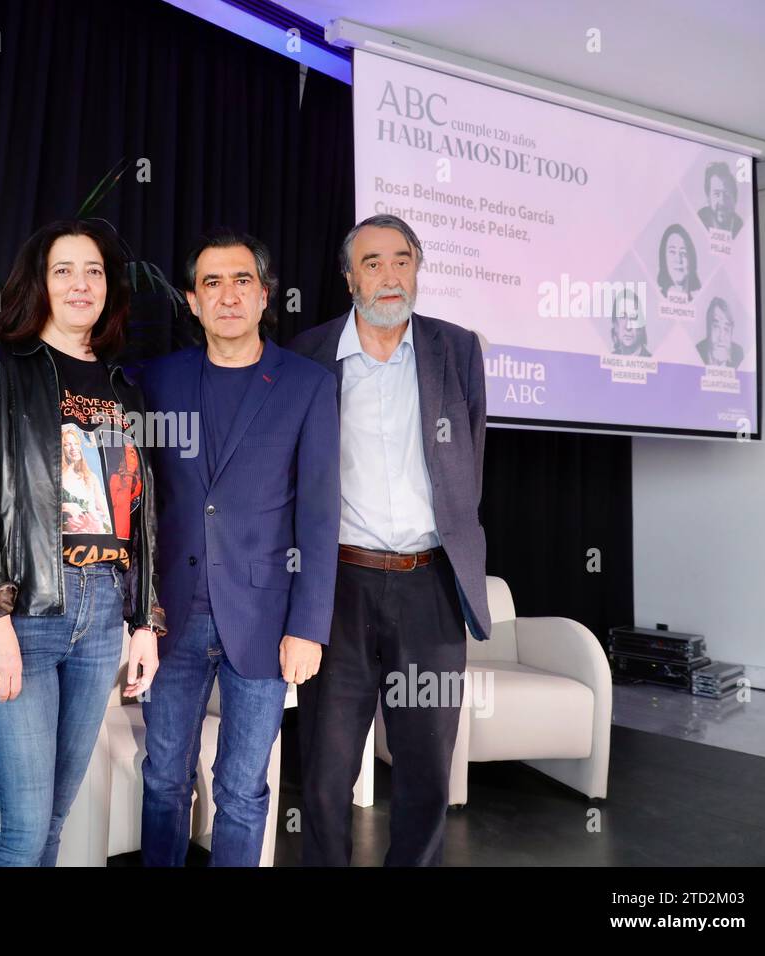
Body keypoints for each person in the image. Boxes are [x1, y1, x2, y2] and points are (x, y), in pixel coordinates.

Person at [0, 219, 164, 866]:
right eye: (62, 269)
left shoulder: (127, 390)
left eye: (92, 270)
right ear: (37, 284)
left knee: (52, 826)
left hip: (99, 618)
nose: (79, 283)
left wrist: (144, 621)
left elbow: (140, 513)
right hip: (20, 612)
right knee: (15, 832)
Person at [291, 213, 490, 867]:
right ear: (349, 277)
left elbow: (469, 459)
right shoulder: (308, 355)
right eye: (372, 262)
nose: (389, 275)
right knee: (324, 774)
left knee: (428, 768)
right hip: (336, 588)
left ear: (417, 269)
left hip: (429, 587)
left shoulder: (456, 350)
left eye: (402, 260)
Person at [137, 231, 340, 867]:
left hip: (265, 619)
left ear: (264, 296)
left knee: (244, 791)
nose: (228, 295)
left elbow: (319, 512)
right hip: (172, 617)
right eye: (212, 284)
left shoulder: (307, 385)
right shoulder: (155, 381)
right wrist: (136, 613)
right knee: (164, 779)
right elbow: (137, 502)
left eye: (242, 281)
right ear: (192, 302)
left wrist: (308, 626)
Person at [697, 161, 744, 238]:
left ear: (735, 198)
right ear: (708, 198)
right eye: (716, 194)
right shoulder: (697, 223)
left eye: (727, 194)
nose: (722, 202)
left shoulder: (742, 228)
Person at [656, 224, 701, 301]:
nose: (678, 259)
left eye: (683, 253)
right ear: (664, 258)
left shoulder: (698, 302)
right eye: (672, 252)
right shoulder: (655, 300)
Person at [696, 297, 744, 368]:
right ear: (708, 328)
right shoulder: (697, 353)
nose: (721, 337)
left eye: (726, 329)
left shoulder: (738, 354)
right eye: (716, 327)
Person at [610, 289, 651, 356]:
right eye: (622, 317)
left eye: (633, 317)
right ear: (615, 325)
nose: (628, 327)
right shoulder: (609, 357)